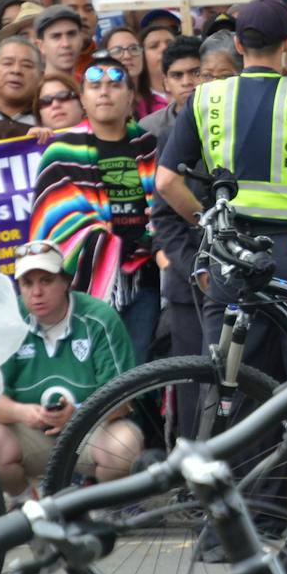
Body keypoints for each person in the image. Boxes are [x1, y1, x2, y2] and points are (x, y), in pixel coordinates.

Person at [154, 0, 287, 560]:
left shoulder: (206, 97)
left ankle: (239, 530)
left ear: (240, 45)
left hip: (230, 262)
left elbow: (165, 181)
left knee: (236, 396)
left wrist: (209, 223)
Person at [0, 240, 141, 504]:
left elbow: (123, 400)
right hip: (30, 431)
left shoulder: (100, 318)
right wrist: (24, 413)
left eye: (46, 281)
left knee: (125, 445)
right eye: (27, 283)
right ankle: (25, 505)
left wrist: (79, 414)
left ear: (66, 281)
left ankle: (98, 505)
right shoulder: (9, 322)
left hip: (91, 429)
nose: (36, 292)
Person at [29, 53, 160, 363]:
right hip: (84, 285)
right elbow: (55, 225)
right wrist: (110, 243)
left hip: (144, 278)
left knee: (136, 368)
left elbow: (164, 207)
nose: (104, 91)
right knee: (90, 369)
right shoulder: (60, 153)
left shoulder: (150, 146)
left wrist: (151, 239)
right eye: (94, 85)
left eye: (114, 85)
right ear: (83, 100)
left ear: (130, 96)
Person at [140, 36, 202, 138]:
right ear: (166, 83)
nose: (186, 82)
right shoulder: (148, 128)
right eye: (177, 75)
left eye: (196, 72)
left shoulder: (228, 117)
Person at [105, 26, 168, 119]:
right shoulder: (101, 103)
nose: (127, 56)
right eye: (117, 51)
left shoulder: (160, 105)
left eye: (134, 49)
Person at [33, 4, 86, 78]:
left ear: (81, 40)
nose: (66, 44)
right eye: (56, 36)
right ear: (41, 46)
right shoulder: (32, 88)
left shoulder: (90, 85)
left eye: (71, 34)